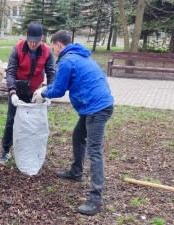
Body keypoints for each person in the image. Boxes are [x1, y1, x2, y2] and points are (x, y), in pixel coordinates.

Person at [32, 30, 114, 216]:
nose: (52, 50)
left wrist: (43, 93)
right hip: (94, 105)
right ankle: (76, 171)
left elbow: (60, 90)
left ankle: (96, 199)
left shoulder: (67, 60)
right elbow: (63, 85)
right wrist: (45, 88)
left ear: (58, 44)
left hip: (96, 108)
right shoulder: (79, 56)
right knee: (78, 136)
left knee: (94, 150)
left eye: (52, 46)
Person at [0, 23, 56, 163]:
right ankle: (6, 149)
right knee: (11, 120)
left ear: (42, 38)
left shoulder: (47, 51)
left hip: (36, 91)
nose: (32, 44)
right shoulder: (17, 49)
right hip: (18, 88)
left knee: (34, 121)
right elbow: (11, 71)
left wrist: (49, 91)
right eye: (30, 40)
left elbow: (51, 73)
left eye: (36, 41)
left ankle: (29, 149)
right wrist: (12, 92)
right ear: (26, 36)